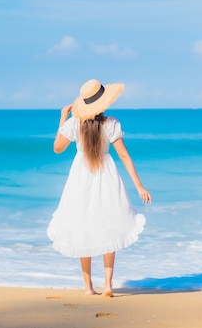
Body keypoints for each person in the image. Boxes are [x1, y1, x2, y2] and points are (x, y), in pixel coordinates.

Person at [47, 79, 152, 297]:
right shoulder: (111, 124)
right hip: (106, 176)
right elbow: (124, 155)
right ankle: (108, 286)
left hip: (81, 178)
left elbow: (57, 148)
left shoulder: (74, 124)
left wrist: (62, 118)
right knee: (109, 224)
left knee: (81, 226)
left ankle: (88, 288)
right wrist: (139, 186)